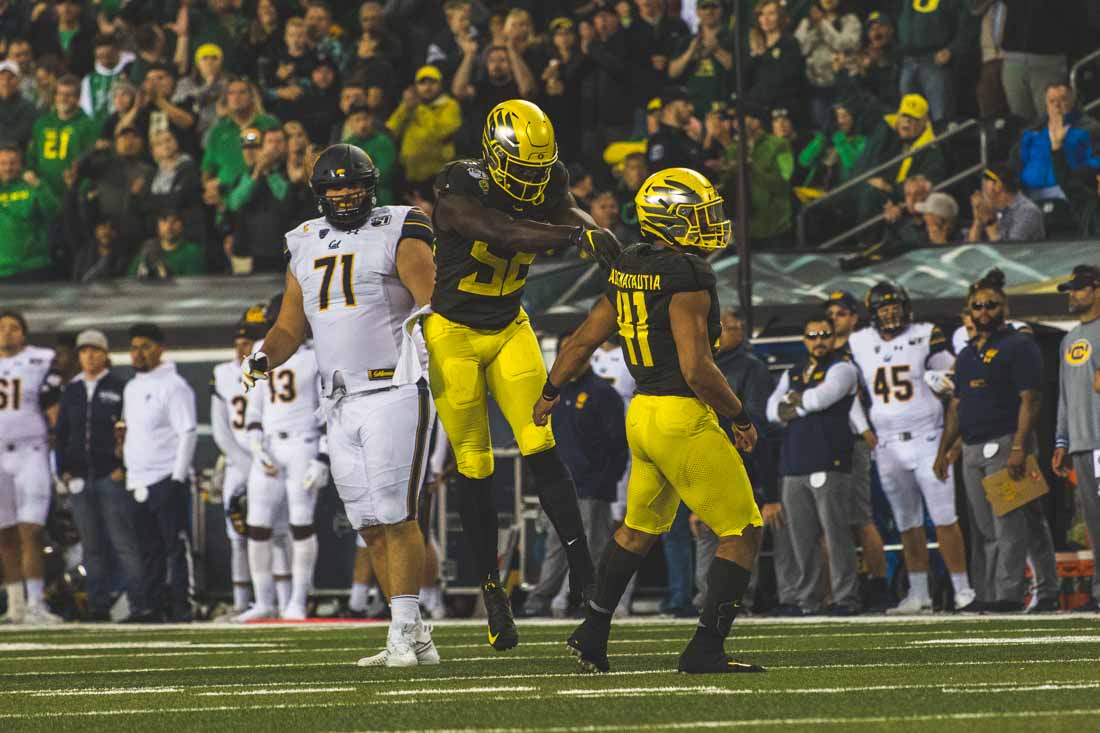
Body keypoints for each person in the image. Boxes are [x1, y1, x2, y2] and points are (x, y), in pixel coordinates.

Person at [538, 166, 764, 674]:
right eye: (699, 215)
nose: (710, 223)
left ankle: (592, 632)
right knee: (743, 530)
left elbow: (581, 340)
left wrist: (551, 389)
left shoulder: (627, 265)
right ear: (672, 220)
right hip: (681, 414)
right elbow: (698, 369)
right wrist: (740, 416)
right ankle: (706, 649)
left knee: (637, 529)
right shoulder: (688, 275)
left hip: (641, 415)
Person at [424, 99, 620, 651]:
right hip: (453, 335)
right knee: (475, 463)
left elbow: (569, 214)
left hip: (510, 326)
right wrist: (576, 238)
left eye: (540, 171)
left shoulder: (548, 178)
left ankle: (585, 576)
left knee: (541, 443)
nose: (533, 181)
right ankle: (493, 591)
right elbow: (498, 230)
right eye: (523, 170)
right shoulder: (460, 184)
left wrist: (597, 235)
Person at [241, 143, 439, 667]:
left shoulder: (401, 224)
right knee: (369, 523)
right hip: (339, 400)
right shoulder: (303, 241)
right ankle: (413, 634)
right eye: (334, 186)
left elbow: (432, 303)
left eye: (353, 184)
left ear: (370, 187)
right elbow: (288, 326)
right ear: (320, 192)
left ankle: (402, 631)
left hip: (393, 388)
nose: (345, 193)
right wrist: (264, 358)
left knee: (398, 515)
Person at [934, 269, 1060, 612]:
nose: (984, 310)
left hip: (1006, 443)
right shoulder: (968, 354)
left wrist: (1019, 446)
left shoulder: (1019, 345)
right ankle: (1039, 590)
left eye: (992, 304)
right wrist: (944, 449)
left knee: (1008, 524)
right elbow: (957, 407)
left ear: (1004, 307)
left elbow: (1030, 400)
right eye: (978, 306)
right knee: (1006, 523)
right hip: (973, 446)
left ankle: (1006, 594)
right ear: (969, 311)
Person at [848, 282, 976, 613]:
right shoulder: (859, 341)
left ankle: (963, 589)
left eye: (896, 306)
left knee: (945, 518)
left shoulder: (926, 333)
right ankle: (919, 593)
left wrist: (945, 379)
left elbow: (954, 374)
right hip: (889, 444)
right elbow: (848, 388)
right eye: (884, 308)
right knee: (907, 523)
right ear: (872, 314)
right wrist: (865, 431)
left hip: (928, 438)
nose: (891, 313)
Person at [767, 314, 862, 616]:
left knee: (836, 536)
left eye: (824, 334)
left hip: (829, 461)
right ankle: (808, 601)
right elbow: (772, 411)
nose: (818, 340)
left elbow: (820, 399)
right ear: (804, 340)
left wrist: (796, 402)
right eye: (812, 335)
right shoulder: (794, 371)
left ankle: (846, 597)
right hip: (794, 464)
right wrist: (798, 403)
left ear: (833, 337)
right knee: (801, 538)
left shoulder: (844, 368)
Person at [524, 342, 627, 618]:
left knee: (594, 547)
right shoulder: (554, 395)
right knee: (556, 548)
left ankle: (592, 602)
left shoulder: (603, 393)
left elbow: (618, 444)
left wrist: (606, 482)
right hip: (561, 487)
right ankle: (539, 601)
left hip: (592, 487)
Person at [239, 306, 326, 622]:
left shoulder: (318, 353)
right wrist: (255, 444)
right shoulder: (259, 350)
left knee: (301, 523)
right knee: (257, 524)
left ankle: (297, 601)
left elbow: (328, 405)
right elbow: (253, 406)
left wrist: (323, 456)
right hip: (271, 445)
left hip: (304, 442)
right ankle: (263, 601)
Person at [55, 329, 147, 622]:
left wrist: (124, 467)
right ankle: (96, 606)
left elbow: (130, 430)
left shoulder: (120, 387)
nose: (89, 356)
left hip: (110, 474)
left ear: (105, 354)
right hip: (81, 476)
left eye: (95, 350)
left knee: (123, 542)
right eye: (84, 351)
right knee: (91, 547)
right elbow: (62, 433)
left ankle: (139, 603)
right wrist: (64, 469)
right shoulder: (72, 390)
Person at [694, 307, 779, 612]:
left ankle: (737, 599)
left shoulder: (751, 368)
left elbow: (756, 424)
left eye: (727, 328)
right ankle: (706, 598)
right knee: (707, 535)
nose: (718, 334)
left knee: (741, 533)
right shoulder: (700, 363)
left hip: (741, 462)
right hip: (704, 462)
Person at [122, 323, 198, 622]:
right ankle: (152, 606)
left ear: (159, 348)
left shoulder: (174, 386)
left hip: (166, 476)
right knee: (147, 548)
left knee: (174, 547)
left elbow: (188, 432)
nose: (138, 353)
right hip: (137, 478)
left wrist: (178, 477)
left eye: (145, 346)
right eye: (134, 347)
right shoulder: (131, 387)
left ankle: (182, 606)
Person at [824, 290, 890, 611]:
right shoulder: (821, 351)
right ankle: (836, 590)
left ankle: (878, 586)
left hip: (855, 440)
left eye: (840, 313)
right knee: (831, 522)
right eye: (831, 313)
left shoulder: (861, 348)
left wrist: (866, 429)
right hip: (826, 441)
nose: (834, 319)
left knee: (861, 518)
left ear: (853, 317)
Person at [0, 311, 64, 624]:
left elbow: (53, 405)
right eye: (2, 328)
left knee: (32, 530)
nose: (7, 333)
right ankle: (16, 606)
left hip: (31, 451)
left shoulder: (40, 360)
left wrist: (58, 452)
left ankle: (36, 602)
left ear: (24, 333)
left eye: (14, 328)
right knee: (5, 534)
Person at [1051, 264, 1100, 613]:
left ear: (1096, 289)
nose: (1072, 294)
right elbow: (1065, 395)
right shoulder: (1069, 338)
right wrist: (1061, 441)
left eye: (1078, 288)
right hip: (1083, 442)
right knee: (1094, 523)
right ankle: (1098, 591)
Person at [210, 312, 265, 617]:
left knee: (271, 532)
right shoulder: (221, 373)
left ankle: (274, 599)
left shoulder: (273, 367)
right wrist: (244, 464)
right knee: (238, 534)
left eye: (248, 341)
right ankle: (242, 602)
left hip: (270, 460)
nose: (242, 347)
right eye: (239, 342)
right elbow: (220, 428)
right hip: (237, 461)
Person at [589, 337, 637, 616]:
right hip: (594, 454)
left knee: (623, 524)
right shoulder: (589, 356)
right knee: (593, 527)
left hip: (625, 447)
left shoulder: (630, 357)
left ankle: (621, 597)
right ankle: (592, 596)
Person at [386, 65, 462, 200]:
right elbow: (391, 130)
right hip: (409, 173)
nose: (427, 87)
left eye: (432, 82)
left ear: (440, 84)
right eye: (422, 83)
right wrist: (405, 109)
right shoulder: (410, 105)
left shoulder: (450, 105)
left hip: (437, 174)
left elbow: (442, 132)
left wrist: (420, 108)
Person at [895, 0, 972, 123]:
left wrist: (951, 50)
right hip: (907, 61)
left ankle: (942, 142)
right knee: (909, 119)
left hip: (935, 60)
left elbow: (967, 26)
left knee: (940, 120)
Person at [26, 74, 98, 198]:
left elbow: (91, 159)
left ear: (78, 98)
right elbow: (32, 154)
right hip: (44, 189)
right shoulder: (41, 123)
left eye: (68, 95)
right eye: (60, 94)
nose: (63, 98)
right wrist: (29, 171)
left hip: (73, 190)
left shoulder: (88, 125)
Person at [0, 145, 61, 282]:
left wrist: (39, 186)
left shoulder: (33, 186)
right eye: (3, 163)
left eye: (12, 163)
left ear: (21, 165)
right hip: (2, 271)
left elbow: (54, 212)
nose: (8, 168)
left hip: (33, 268)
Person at [967, 163, 1045, 243]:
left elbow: (1010, 251)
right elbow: (971, 246)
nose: (983, 185)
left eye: (987, 180)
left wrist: (989, 222)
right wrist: (978, 219)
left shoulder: (1028, 211)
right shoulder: (992, 208)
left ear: (998, 185)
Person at [128, 210, 206, 279]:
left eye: (174, 221)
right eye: (164, 221)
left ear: (182, 226)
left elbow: (194, 287)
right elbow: (130, 281)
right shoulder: (148, 249)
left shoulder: (192, 252)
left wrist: (163, 272)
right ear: (158, 226)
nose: (169, 226)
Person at [647, 86, 702, 174]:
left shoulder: (686, 138)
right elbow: (660, 178)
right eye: (686, 104)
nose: (691, 108)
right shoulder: (660, 141)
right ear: (669, 107)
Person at [0, 60, 37, 151]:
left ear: (19, 80)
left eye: (10, 78)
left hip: (17, 156)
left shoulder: (28, 107)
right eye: (1, 78)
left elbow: (22, 135)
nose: (5, 82)